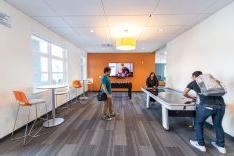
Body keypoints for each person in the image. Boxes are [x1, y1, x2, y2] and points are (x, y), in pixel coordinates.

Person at [183, 71, 226, 154]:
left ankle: (200, 144)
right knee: (218, 125)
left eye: (192, 77)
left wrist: (193, 98)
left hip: (206, 106)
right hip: (221, 106)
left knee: (198, 123)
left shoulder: (194, 82)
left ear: (194, 76)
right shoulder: (212, 81)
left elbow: (184, 93)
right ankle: (221, 146)